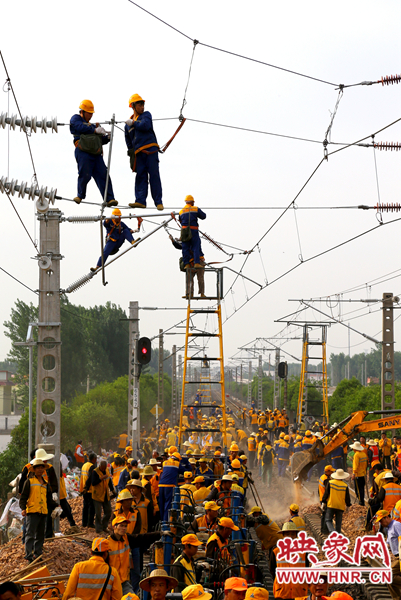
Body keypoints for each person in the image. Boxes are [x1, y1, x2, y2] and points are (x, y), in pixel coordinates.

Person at [70, 100, 117, 207]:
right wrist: (95, 131)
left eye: (91, 113)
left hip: (95, 153)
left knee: (103, 174)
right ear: (82, 111)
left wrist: (107, 137)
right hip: (83, 151)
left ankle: (109, 198)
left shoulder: (93, 126)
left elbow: (98, 141)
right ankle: (80, 195)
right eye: (89, 113)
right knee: (84, 174)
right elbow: (79, 127)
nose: (90, 115)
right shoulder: (76, 119)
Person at [124, 94, 163, 210]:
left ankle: (158, 202)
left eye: (142, 104)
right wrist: (132, 155)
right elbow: (129, 142)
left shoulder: (146, 115)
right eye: (140, 105)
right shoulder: (127, 126)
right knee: (140, 176)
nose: (142, 107)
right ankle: (140, 201)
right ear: (133, 106)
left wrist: (134, 123)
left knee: (154, 175)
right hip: (139, 153)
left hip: (150, 149)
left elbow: (145, 126)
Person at [19, 458, 56, 562]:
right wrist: (23, 508)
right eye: (38, 468)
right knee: (30, 534)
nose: (40, 470)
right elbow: (23, 497)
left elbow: (48, 499)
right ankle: (28, 555)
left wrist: (57, 505)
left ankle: (37, 554)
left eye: (42, 468)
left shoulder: (45, 484)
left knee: (40, 534)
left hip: (43, 512)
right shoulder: (29, 482)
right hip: (32, 511)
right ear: (34, 470)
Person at [270, 522, 308, 599]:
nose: (290, 537)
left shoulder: (303, 552)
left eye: (292, 534)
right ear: (283, 535)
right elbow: (272, 570)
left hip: (299, 592)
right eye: (287, 534)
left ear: (296, 535)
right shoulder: (276, 551)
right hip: (282, 592)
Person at [169, 234, 206, 299]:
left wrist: (179, 240)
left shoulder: (195, 242)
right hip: (190, 263)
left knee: (200, 278)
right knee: (189, 279)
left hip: (199, 262)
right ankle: (189, 293)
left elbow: (187, 246)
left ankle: (202, 293)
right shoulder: (186, 244)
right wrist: (173, 241)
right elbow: (180, 246)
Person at [374, 510, 401, 600]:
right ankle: (397, 598)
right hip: (397, 557)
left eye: (381, 520)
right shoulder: (389, 528)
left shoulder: (396, 525)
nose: (381, 523)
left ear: (387, 517)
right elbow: (388, 543)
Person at [88, 459, 116, 534]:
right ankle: (99, 529)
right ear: (99, 466)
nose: (103, 469)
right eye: (102, 468)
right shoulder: (95, 472)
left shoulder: (107, 470)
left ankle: (104, 526)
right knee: (98, 513)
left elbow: (109, 481)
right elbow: (93, 483)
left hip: (105, 495)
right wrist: (101, 478)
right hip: (97, 496)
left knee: (108, 511)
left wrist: (113, 490)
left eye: (104, 468)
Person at [179, 196, 206, 269]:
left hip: (184, 231)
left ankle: (186, 264)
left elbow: (180, 221)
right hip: (193, 230)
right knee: (195, 246)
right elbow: (203, 216)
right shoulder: (195, 209)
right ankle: (196, 263)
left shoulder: (181, 211)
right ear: (191, 202)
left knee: (185, 248)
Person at [321, 468, 351, 533]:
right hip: (340, 506)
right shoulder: (345, 485)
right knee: (338, 523)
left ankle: (332, 532)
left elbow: (326, 493)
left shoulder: (330, 483)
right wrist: (348, 505)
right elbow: (347, 497)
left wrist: (323, 502)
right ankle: (338, 535)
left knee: (328, 520)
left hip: (331, 504)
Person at [80, 452, 97, 528]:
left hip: (84, 489)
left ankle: (84, 523)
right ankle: (90, 523)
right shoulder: (92, 466)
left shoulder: (84, 465)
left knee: (85, 506)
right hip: (89, 490)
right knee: (91, 507)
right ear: (94, 459)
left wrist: (83, 488)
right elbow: (90, 478)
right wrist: (87, 487)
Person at [351, 441, 367, 505]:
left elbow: (356, 465)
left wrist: (354, 474)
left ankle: (361, 502)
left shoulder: (356, 455)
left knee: (358, 490)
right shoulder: (364, 454)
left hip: (358, 475)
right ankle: (362, 501)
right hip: (363, 474)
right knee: (362, 489)